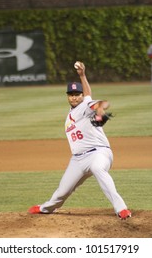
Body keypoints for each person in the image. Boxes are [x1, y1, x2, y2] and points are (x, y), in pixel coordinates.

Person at [28, 61, 131, 220]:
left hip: (98, 152)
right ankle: (46, 208)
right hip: (77, 159)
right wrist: (82, 75)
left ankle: (121, 208)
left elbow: (102, 103)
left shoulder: (85, 106)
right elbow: (89, 94)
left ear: (81, 96)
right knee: (62, 191)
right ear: (68, 96)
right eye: (71, 94)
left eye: (77, 94)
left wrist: (100, 112)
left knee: (98, 169)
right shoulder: (72, 114)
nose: (74, 97)